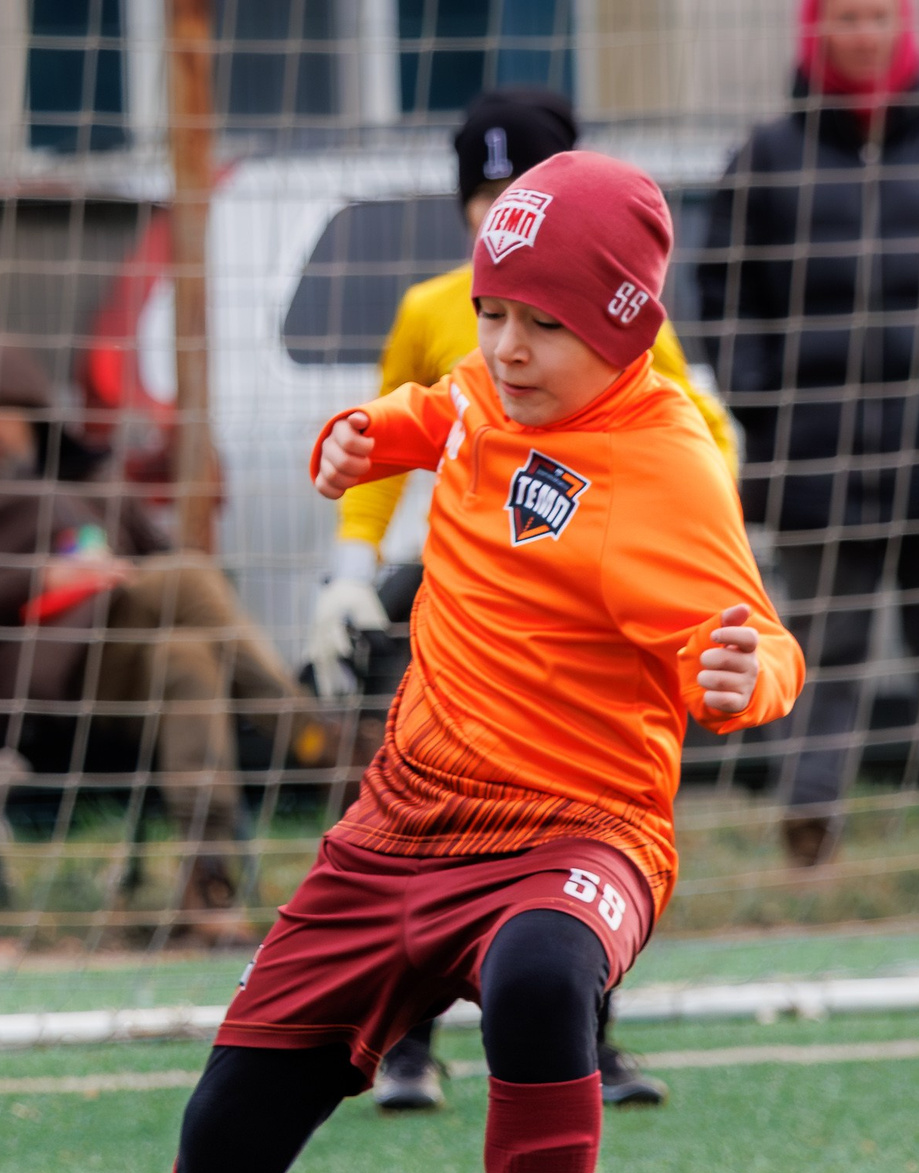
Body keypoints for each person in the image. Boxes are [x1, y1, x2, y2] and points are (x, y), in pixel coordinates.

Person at [26, 151, 801, 1173]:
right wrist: (375, 435)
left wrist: (746, 677)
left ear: (620, 324)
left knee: (543, 974)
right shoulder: (495, 390)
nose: (504, 344)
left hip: (583, 827)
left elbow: (755, 639)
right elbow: (443, 404)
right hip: (401, 825)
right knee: (226, 1122)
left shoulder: (670, 464)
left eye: (541, 322)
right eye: (493, 310)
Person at [307, 87, 734, 1114]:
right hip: (456, 591)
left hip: (578, 607)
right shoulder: (426, 311)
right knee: (423, 799)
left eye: (520, 184)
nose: (497, 205)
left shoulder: (616, 317)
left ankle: (585, 1035)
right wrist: (350, 572)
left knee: (578, 821)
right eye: (482, 190)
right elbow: (378, 442)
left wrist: (702, 547)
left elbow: (685, 425)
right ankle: (404, 1045)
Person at [696, 0, 919, 900]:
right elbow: (725, 295)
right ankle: (811, 838)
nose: (863, 34)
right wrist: (768, 404)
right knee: (818, 654)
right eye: (845, 17)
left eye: (878, 16)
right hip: (817, 468)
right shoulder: (765, 160)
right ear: (815, 32)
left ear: (907, 29)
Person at [0, 341, 307, 942]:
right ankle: (314, 742)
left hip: (121, 678)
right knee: (188, 577)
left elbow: (163, 571)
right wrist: (38, 579)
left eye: (5, 408)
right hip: (24, 694)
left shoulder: (94, 486)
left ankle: (208, 883)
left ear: (35, 414)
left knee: (186, 655)